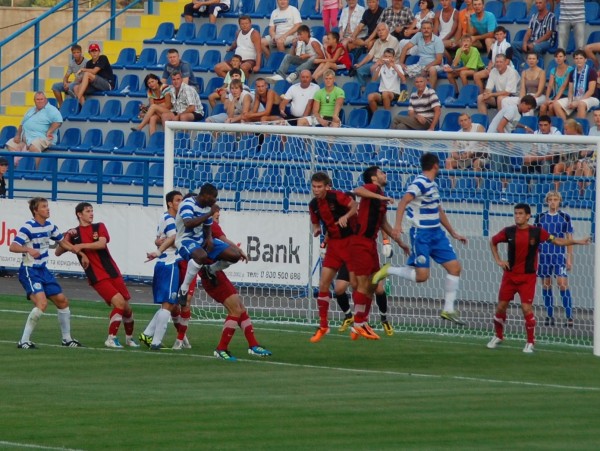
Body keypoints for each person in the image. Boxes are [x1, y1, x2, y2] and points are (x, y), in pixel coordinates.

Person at [372, 152, 468, 325]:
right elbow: (403, 202)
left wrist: (453, 232)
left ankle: (448, 309)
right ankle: (389, 270)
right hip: (421, 234)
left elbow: (439, 210)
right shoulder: (419, 182)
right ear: (436, 165)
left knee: (455, 268)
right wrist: (397, 225)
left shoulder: (433, 184)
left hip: (437, 234)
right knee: (422, 277)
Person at [488, 203, 589, 353]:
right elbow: (493, 241)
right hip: (509, 276)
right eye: (516, 213)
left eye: (521, 213)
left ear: (528, 216)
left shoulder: (537, 232)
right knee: (501, 307)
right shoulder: (508, 231)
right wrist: (498, 260)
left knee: (526, 308)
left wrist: (577, 241)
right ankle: (498, 336)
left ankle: (530, 342)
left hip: (527, 277)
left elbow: (558, 241)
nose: (517, 216)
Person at [56, 202, 139, 349]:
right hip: (97, 277)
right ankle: (111, 339)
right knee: (119, 304)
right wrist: (67, 237)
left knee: (127, 308)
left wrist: (81, 246)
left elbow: (101, 244)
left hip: (112, 272)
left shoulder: (99, 227)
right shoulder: (74, 233)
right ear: (79, 214)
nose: (91, 213)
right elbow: (58, 252)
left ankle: (129, 339)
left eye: (92, 211)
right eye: (88, 211)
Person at [9, 197, 83, 349]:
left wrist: (80, 253)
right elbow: (13, 246)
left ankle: (67, 339)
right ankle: (23, 341)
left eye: (47, 206)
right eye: (43, 206)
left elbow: (63, 242)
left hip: (43, 270)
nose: (47, 209)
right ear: (35, 210)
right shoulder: (28, 227)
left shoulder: (50, 226)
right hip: (30, 270)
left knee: (62, 301)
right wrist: (28, 249)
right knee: (42, 303)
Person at [200, 212, 270, 361]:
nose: (217, 218)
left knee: (240, 308)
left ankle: (253, 345)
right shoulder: (209, 223)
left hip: (215, 273)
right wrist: (238, 251)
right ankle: (221, 349)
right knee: (235, 310)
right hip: (211, 276)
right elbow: (224, 240)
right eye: (216, 215)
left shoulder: (200, 226)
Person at [348, 166, 408, 340]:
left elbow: (383, 224)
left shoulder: (380, 197)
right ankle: (358, 324)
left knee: (374, 283)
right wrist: (380, 196)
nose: (385, 174)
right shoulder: (373, 189)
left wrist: (400, 243)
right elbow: (357, 190)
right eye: (381, 173)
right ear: (374, 178)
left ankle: (362, 322)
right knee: (363, 284)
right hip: (360, 242)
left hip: (370, 243)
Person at [308, 171, 358, 343]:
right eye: (314, 187)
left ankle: (360, 322)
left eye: (319, 187)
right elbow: (315, 223)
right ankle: (323, 325)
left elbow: (355, 206)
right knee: (323, 283)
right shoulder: (313, 204)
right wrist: (316, 229)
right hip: (334, 246)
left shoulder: (336, 196)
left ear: (326, 186)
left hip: (350, 243)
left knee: (355, 285)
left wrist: (346, 216)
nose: (316, 190)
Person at [175, 183, 244, 305]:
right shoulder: (187, 204)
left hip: (201, 239)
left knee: (235, 255)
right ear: (205, 195)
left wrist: (209, 238)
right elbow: (188, 223)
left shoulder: (207, 207)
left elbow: (207, 227)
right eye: (214, 197)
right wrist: (209, 213)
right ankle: (184, 288)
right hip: (186, 239)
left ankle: (210, 269)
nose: (215, 200)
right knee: (201, 256)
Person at [141, 190, 185, 350]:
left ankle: (147, 334)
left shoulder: (164, 217)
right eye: (178, 200)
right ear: (170, 203)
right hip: (169, 263)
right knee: (168, 303)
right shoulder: (170, 219)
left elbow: (159, 239)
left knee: (170, 304)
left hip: (164, 263)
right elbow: (174, 239)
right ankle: (156, 342)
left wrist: (159, 242)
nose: (181, 203)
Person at [533, 192, 575, 327]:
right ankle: (549, 316)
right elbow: (535, 237)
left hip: (558, 255)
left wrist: (569, 258)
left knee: (562, 284)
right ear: (546, 201)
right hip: (544, 255)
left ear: (559, 201)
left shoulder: (565, 217)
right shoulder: (540, 217)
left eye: (555, 199)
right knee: (546, 284)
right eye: (550, 199)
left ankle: (569, 317)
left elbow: (569, 239)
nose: (552, 202)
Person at [5, 91, 62, 168]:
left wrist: (49, 131)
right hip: (26, 139)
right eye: (37, 99)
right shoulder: (30, 110)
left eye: (41, 99)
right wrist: (17, 135)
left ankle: (35, 169)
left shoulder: (52, 110)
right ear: (34, 101)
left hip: (43, 138)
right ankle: (18, 165)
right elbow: (22, 124)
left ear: (45, 100)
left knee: (34, 145)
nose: (40, 101)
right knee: (10, 144)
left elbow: (58, 122)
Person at [444, 112, 487, 187]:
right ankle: (452, 187)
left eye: (465, 120)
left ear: (470, 120)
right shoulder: (458, 134)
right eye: (461, 121)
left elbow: (483, 143)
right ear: (459, 123)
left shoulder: (478, 127)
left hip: (480, 156)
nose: (463, 122)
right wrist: (460, 157)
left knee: (476, 162)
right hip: (465, 158)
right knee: (448, 161)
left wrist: (471, 153)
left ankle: (477, 188)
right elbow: (453, 152)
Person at [554, 50, 599, 121]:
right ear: (574, 60)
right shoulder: (572, 73)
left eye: (581, 58)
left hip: (591, 98)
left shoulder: (591, 72)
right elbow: (570, 91)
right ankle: (565, 125)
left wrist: (577, 102)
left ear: (585, 60)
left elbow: (591, 91)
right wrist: (570, 101)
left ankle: (580, 126)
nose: (578, 60)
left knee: (581, 104)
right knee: (556, 104)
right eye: (576, 58)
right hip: (576, 97)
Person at [398, 20, 444, 88]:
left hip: (435, 65)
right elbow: (405, 48)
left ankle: (430, 91)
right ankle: (399, 91)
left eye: (428, 28)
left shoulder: (438, 41)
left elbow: (439, 60)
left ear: (432, 29)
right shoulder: (418, 35)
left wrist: (426, 68)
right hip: (420, 65)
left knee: (432, 70)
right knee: (397, 69)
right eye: (424, 28)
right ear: (421, 29)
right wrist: (401, 63)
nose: (426, 30)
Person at [352, 22, 400, 87]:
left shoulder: (393, 40)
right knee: (359, 70)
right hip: (374, 63)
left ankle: (374, 90)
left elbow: (388, 57)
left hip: (387, 65)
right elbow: (369, 55)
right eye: (379, 30)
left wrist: (376, 65)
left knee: (375, 70)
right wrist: (359, 64)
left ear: (388, 30)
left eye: (383, 30)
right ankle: (361, 89)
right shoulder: (377, 41)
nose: (381, 32)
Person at [473, 26, 514, 93]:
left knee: (496, 75)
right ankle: (482, 94)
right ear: (494, 36)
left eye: (501, 34)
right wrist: (489, 69)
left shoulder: (508, 46)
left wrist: (498, 70)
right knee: (476, 75)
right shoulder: (493, 46)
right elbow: (491, 60)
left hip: (504, 69)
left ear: (505, 35)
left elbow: (507, 61)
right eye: (497, 34)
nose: (499, 36)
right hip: (494, 68)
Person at [368, 47, 406, 113]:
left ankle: (386, 115)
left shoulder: (398, 66)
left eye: (389, 56)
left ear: (393, 58)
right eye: (385, 56)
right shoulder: (381, 67)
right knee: (370, 97)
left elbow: (403, 79)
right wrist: (379, 66)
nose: (387, 58)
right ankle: (375, 115)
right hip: (382, 92)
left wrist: (394, 67)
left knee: (385, 94)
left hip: (394, 93)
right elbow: (374, 79)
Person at [540, 49, 572, 117]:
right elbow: (550, 86)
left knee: (551, 106)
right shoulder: (553, 70)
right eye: (556, 57)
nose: (558, 58)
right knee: (543, 106)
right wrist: (547, 98)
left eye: (560, 56)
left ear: (565, 57)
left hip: (566, 95)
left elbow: (563, 86)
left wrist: (555, 100)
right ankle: (543, 122)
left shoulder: (570, 69)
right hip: (557, 95)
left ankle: (554, 122)